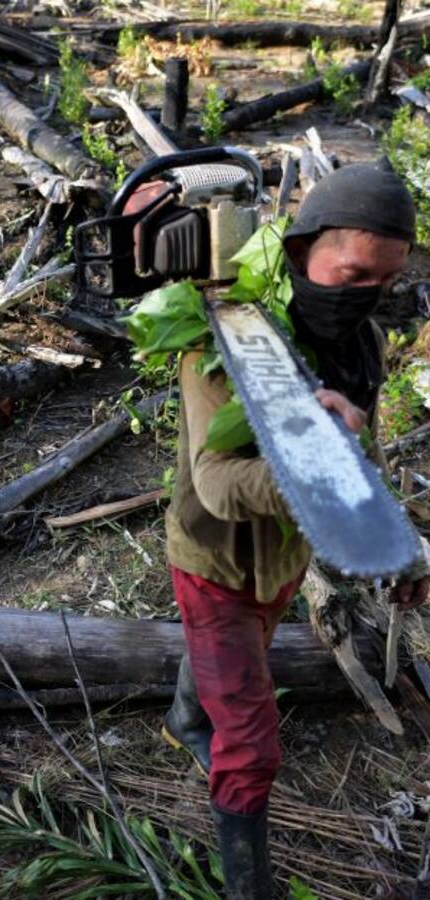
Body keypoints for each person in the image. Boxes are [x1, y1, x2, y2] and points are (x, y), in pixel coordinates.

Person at [160, 160, 429, 898]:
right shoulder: (223, 344)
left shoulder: (358, 344)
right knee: (249, 749)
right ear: (302, 246)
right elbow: (216, 486)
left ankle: (186, 719)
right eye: (351, 274)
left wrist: (396, 544)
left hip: (281, 559)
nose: (365, 295)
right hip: (214, 563)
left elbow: (365, 453)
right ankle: (249, 886)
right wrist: (312, 468)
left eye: (383, 280)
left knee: (245, 646)